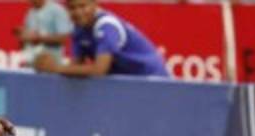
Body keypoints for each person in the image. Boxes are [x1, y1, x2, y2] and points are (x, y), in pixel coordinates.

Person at [33, 0, 168, 78]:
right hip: (130, 80)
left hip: (152, 77)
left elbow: (99, 70)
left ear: (95, 4)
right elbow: (75, 66)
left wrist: (57, 68)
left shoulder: (107, 26)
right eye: (72, 8)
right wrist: (46, 66)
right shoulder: (77, 30)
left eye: (83, 6)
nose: (78, 12)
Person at [14, 0, 73, 69]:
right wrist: (23, 36)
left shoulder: (57, 10)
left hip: (50, 65)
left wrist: (38, 38)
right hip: (31, 63)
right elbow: (27, 36)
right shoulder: (30, 12)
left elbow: (63, 38)